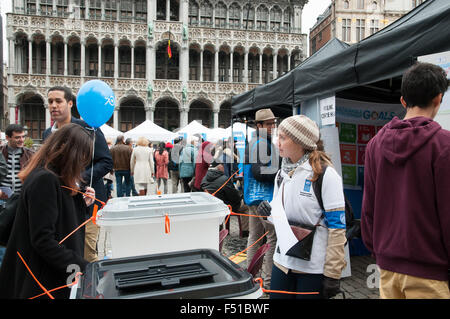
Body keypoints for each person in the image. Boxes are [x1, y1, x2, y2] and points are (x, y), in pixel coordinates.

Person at [361, 62, 450, 299]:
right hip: (431, 271)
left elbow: (368, 207)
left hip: (388, 268)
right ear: (438, 99)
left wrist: (378, 250)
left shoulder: (374, 145)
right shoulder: (443, 145)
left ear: (403, 101)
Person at [0, 124, 96, 299]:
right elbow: (43, 239)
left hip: (51, 273)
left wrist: (81, 204)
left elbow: (61, 219)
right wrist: (83, 266)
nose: (82, 164)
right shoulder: (45, 179)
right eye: (81, 157)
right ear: (69, 153)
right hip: (42, 279)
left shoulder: (54, 176)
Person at [257, 115, 347, 299]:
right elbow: (279, 218)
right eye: (277, 136)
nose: (277, 142)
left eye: (283, 137)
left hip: (312, 269)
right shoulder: (281, 173)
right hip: (282, 263)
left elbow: (337, 229)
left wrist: (332, 274)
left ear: (300, 142)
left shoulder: (325, 175)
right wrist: (267, 213)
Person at [43, 86, 113, 263]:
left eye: (58, 101)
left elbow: (106, 162)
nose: (53, 106)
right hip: (58, 204)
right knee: (64, 253)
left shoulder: (87, 128)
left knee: (87, 253)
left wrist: (78, 178)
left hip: (86, 203)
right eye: (50, 102)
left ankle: (91, 289)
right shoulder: (47, 134)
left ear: (70, 103)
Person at [244, 108, 279, 290]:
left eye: (273, 123)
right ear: (259, 126)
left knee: (255, 237)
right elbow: (259, 172)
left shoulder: (254, 141)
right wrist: (280, 171)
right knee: (272, 238)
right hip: (263, 200)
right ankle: (268, 282)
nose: (273, 126)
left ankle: (250, 277)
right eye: (269, 124)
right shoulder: (261, 143)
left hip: (253, 198)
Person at [0, 124, 34, 197]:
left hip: (22, 197)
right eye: (17, 137)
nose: (21, 140)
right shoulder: (1, 153)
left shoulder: (30, 154)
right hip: (2, 197)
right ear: (7, 137)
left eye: (23, 137)